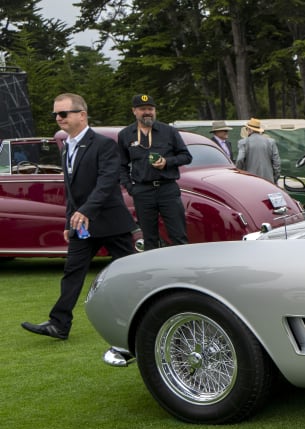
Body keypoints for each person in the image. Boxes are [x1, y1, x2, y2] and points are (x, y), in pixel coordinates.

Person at [22, 93, 137, 340]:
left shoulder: (104, 144)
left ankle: (155, 311)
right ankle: (59, 324)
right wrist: (68, 221)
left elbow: (107, 183)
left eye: (63, 113)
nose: (58, 118)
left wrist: (86, 211)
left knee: (133, 271)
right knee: (72, 272)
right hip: (81, 226)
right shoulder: (66, 148)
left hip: (110, 223)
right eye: (55, 114)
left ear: (82, 115)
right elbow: (72, 190)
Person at [117, 93, 192, 249]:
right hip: (142, 191)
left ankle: (183, 270)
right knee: (149, 238)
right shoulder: (125, 135)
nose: (147, 112)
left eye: (150, 109)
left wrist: (167, 162)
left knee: (178, 235)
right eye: (142, 109)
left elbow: (186, 156)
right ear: (134, 111)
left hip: (167, 189)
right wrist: (131, 188)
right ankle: (152, 272)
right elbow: (121, 165)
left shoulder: (169, 132)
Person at [235, 117, 281, 184]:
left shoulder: (243, 142)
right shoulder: (271, 142)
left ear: (250, 130)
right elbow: (277, 162)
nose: (247, 131)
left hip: (250, 180)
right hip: (268, 180)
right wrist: (275, 177)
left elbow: (240, 159)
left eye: (247, 129)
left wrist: (240, 174)